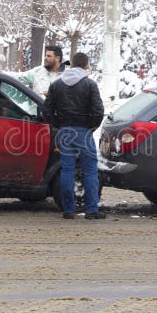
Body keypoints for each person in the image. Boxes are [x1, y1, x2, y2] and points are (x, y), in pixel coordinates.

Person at [42, 52, 105, 220]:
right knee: (90, 170)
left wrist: (57, 124)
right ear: (85, 65)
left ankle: (68, 209)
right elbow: (98, 111)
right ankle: (91, 210)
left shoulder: (56, 85)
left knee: (67, 170)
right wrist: (91, 126)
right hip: (83, 131)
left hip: (64, 132)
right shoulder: (90, 85)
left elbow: (46, 110)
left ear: (71, 65)